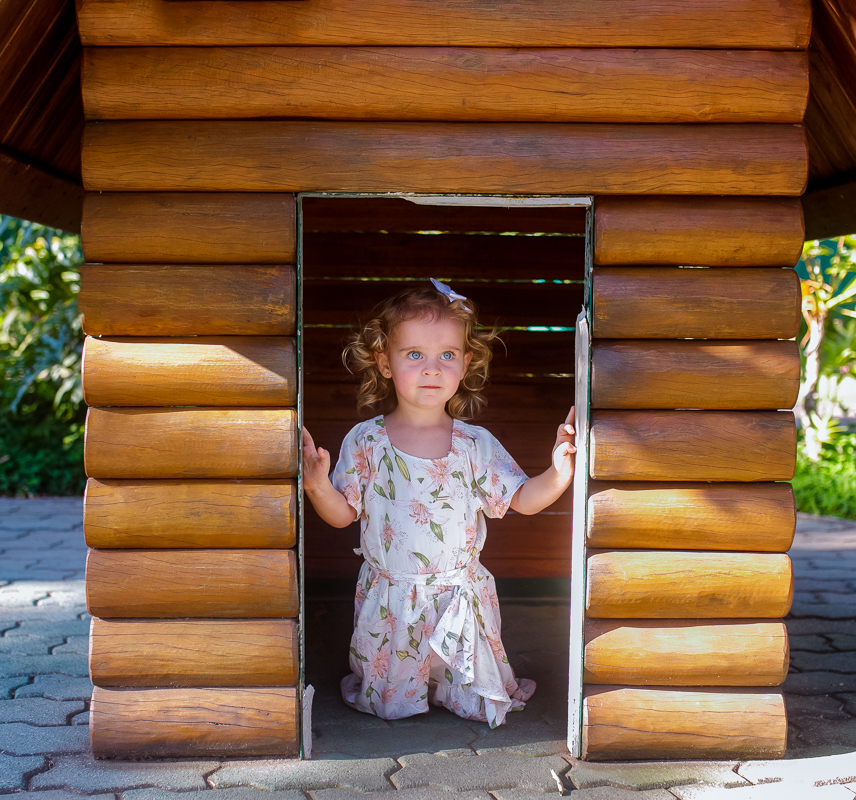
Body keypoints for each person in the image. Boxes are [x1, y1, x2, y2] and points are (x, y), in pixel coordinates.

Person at [302, 279, 576, 728]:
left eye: (446, 355)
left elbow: (522, 499)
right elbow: (342, 515)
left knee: (470, 693)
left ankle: (452, 686)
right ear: (384, 363)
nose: (432, 369)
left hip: (459, 594)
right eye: (414, 355)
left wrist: (558, 472)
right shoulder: (367, 440)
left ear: (465, 364)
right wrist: (317, 486)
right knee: (390, 702)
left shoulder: (473, 443)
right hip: (392, 596)